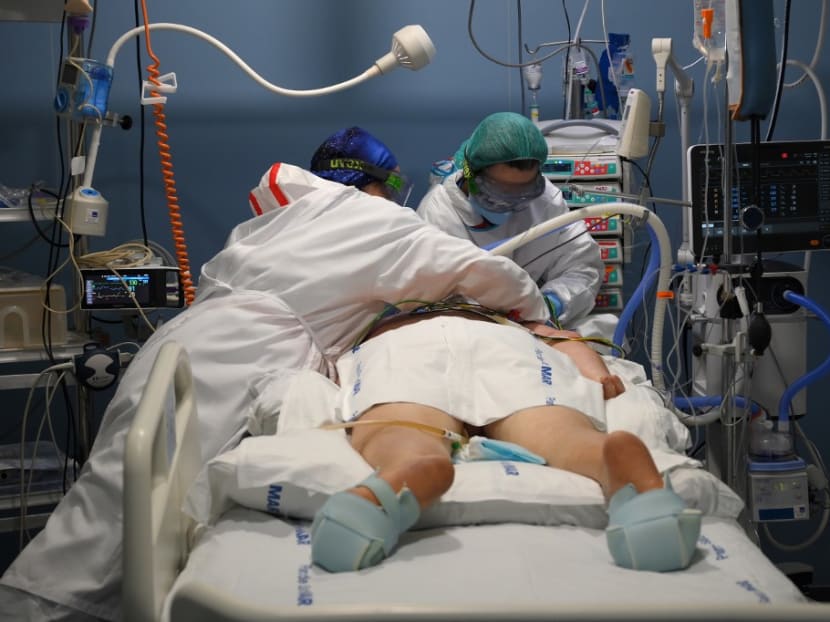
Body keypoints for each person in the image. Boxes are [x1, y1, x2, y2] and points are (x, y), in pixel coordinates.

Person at [0, 129, 553, 621]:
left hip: (179, 347)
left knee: (112, 496)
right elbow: (486, 273)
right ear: (379, 185)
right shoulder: (377, 220)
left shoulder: (277, 220)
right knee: (121, 522)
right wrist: (541, 312)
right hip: (241, 359)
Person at [310, 305, 702, 575]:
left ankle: (405, 465)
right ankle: (604, 457)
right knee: (556, 431)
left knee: (398, 426)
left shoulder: (385, 317)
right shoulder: (513, 315)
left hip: (405, 347)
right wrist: (599, 376)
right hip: (508, 346)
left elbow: (333, 366)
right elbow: (564, 340)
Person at [416, 112, 605, 327]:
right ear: (471, 174)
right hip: (471, 332)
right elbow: (438, 298)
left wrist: (553, 304)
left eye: (523, 192)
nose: (511, 203)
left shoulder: (547, 201)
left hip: (537, 327)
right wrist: (500, 324)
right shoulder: (438, 214)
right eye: (500, 191)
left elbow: (582, 267)